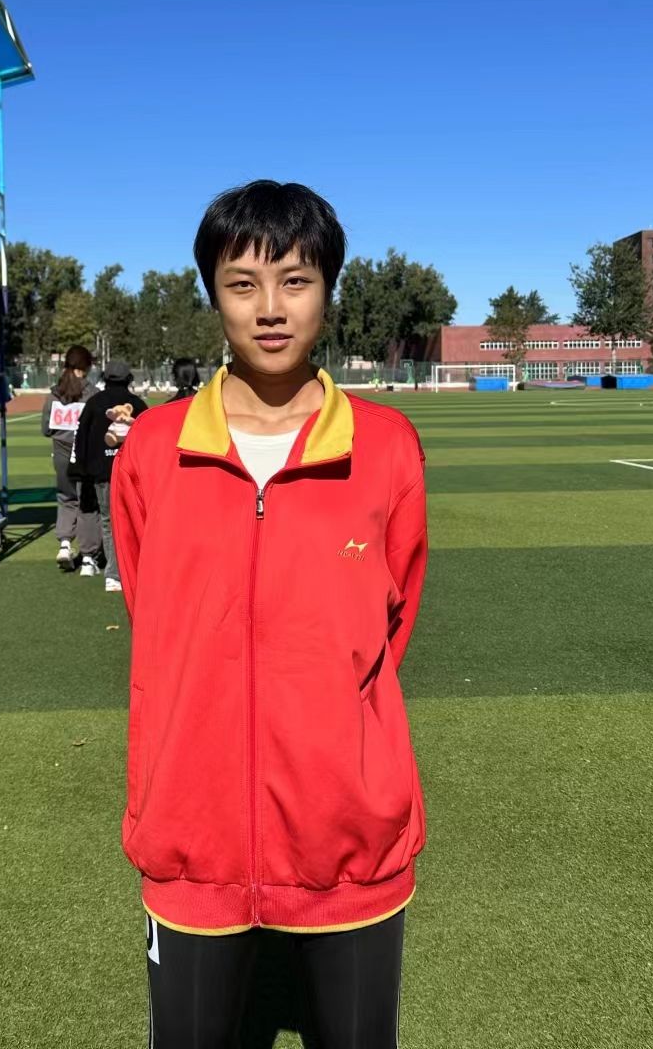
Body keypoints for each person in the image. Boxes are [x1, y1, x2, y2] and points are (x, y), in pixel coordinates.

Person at [111, 180, 428, 1047]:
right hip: (192, 845)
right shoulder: (153, 448)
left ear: (328, 290)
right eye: (242, 283)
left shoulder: (386, 446)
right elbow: (155, 619)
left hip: (348, 846)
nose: (271, 308)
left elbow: (390, 624)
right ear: (213, 295)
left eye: (296, 280)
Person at [68, 359, 148, 593]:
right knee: (131, 520)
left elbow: (80, 439)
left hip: (102, 472)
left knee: (108, 521)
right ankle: (120, 571)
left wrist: (80, 470)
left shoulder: (94, 403)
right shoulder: (138, 404)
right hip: (131, 473)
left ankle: (113, 573)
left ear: (105, 378)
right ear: (128, 379)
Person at [40, 345, 102, 576]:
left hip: (61, 455)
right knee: (88, 503)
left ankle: (65, 544)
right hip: (84, 456)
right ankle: (88, 558)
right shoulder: (92, 394)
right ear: (86, 367)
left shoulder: (54, 394)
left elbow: (46, 429)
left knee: (66, 499)